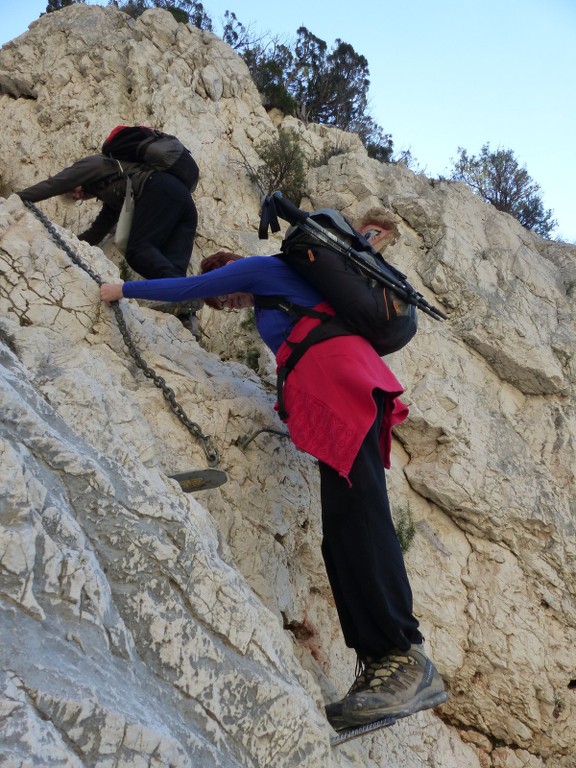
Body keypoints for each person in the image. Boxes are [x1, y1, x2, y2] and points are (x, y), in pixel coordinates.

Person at [99, 215, 449, 730]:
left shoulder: (261, 271)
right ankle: (380, 664)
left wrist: (118, 288)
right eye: (226, 305)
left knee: (360, 517)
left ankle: (404, 657)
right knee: (347, 525)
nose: (230, 304)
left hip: (341, 388)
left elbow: (191, 286)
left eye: (229, 296)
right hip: (341, 388)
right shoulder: (290, 288)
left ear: (232, 276)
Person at [18, 151, 200, 337]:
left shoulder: (92, 165)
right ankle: (187, 314)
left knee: (138, 250)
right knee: (174, 269)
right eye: (75, 198)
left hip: (159, 188)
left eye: (73, 189)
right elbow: (98, 231)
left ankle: (182, 294)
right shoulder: (113, 189)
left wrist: (18, 198)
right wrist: (69, 244)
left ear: (72, 178)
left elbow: (53, 185)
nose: (78, 194)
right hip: (184, 204)